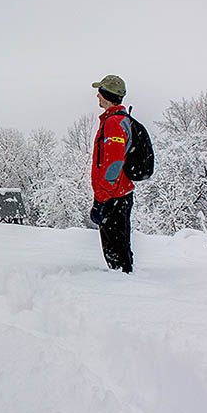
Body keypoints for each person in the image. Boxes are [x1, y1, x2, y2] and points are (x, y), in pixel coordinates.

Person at [90, 74, 135, 273]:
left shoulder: (113, 124)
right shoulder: (116, 120)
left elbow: (114, 164)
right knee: (119, 249)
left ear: (107, 95)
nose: (97, 96)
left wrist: (101, 199)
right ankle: (124, 285)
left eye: (100, 92)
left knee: (116, 255)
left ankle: (123, 292)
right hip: (117, 195)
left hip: (114, 197)